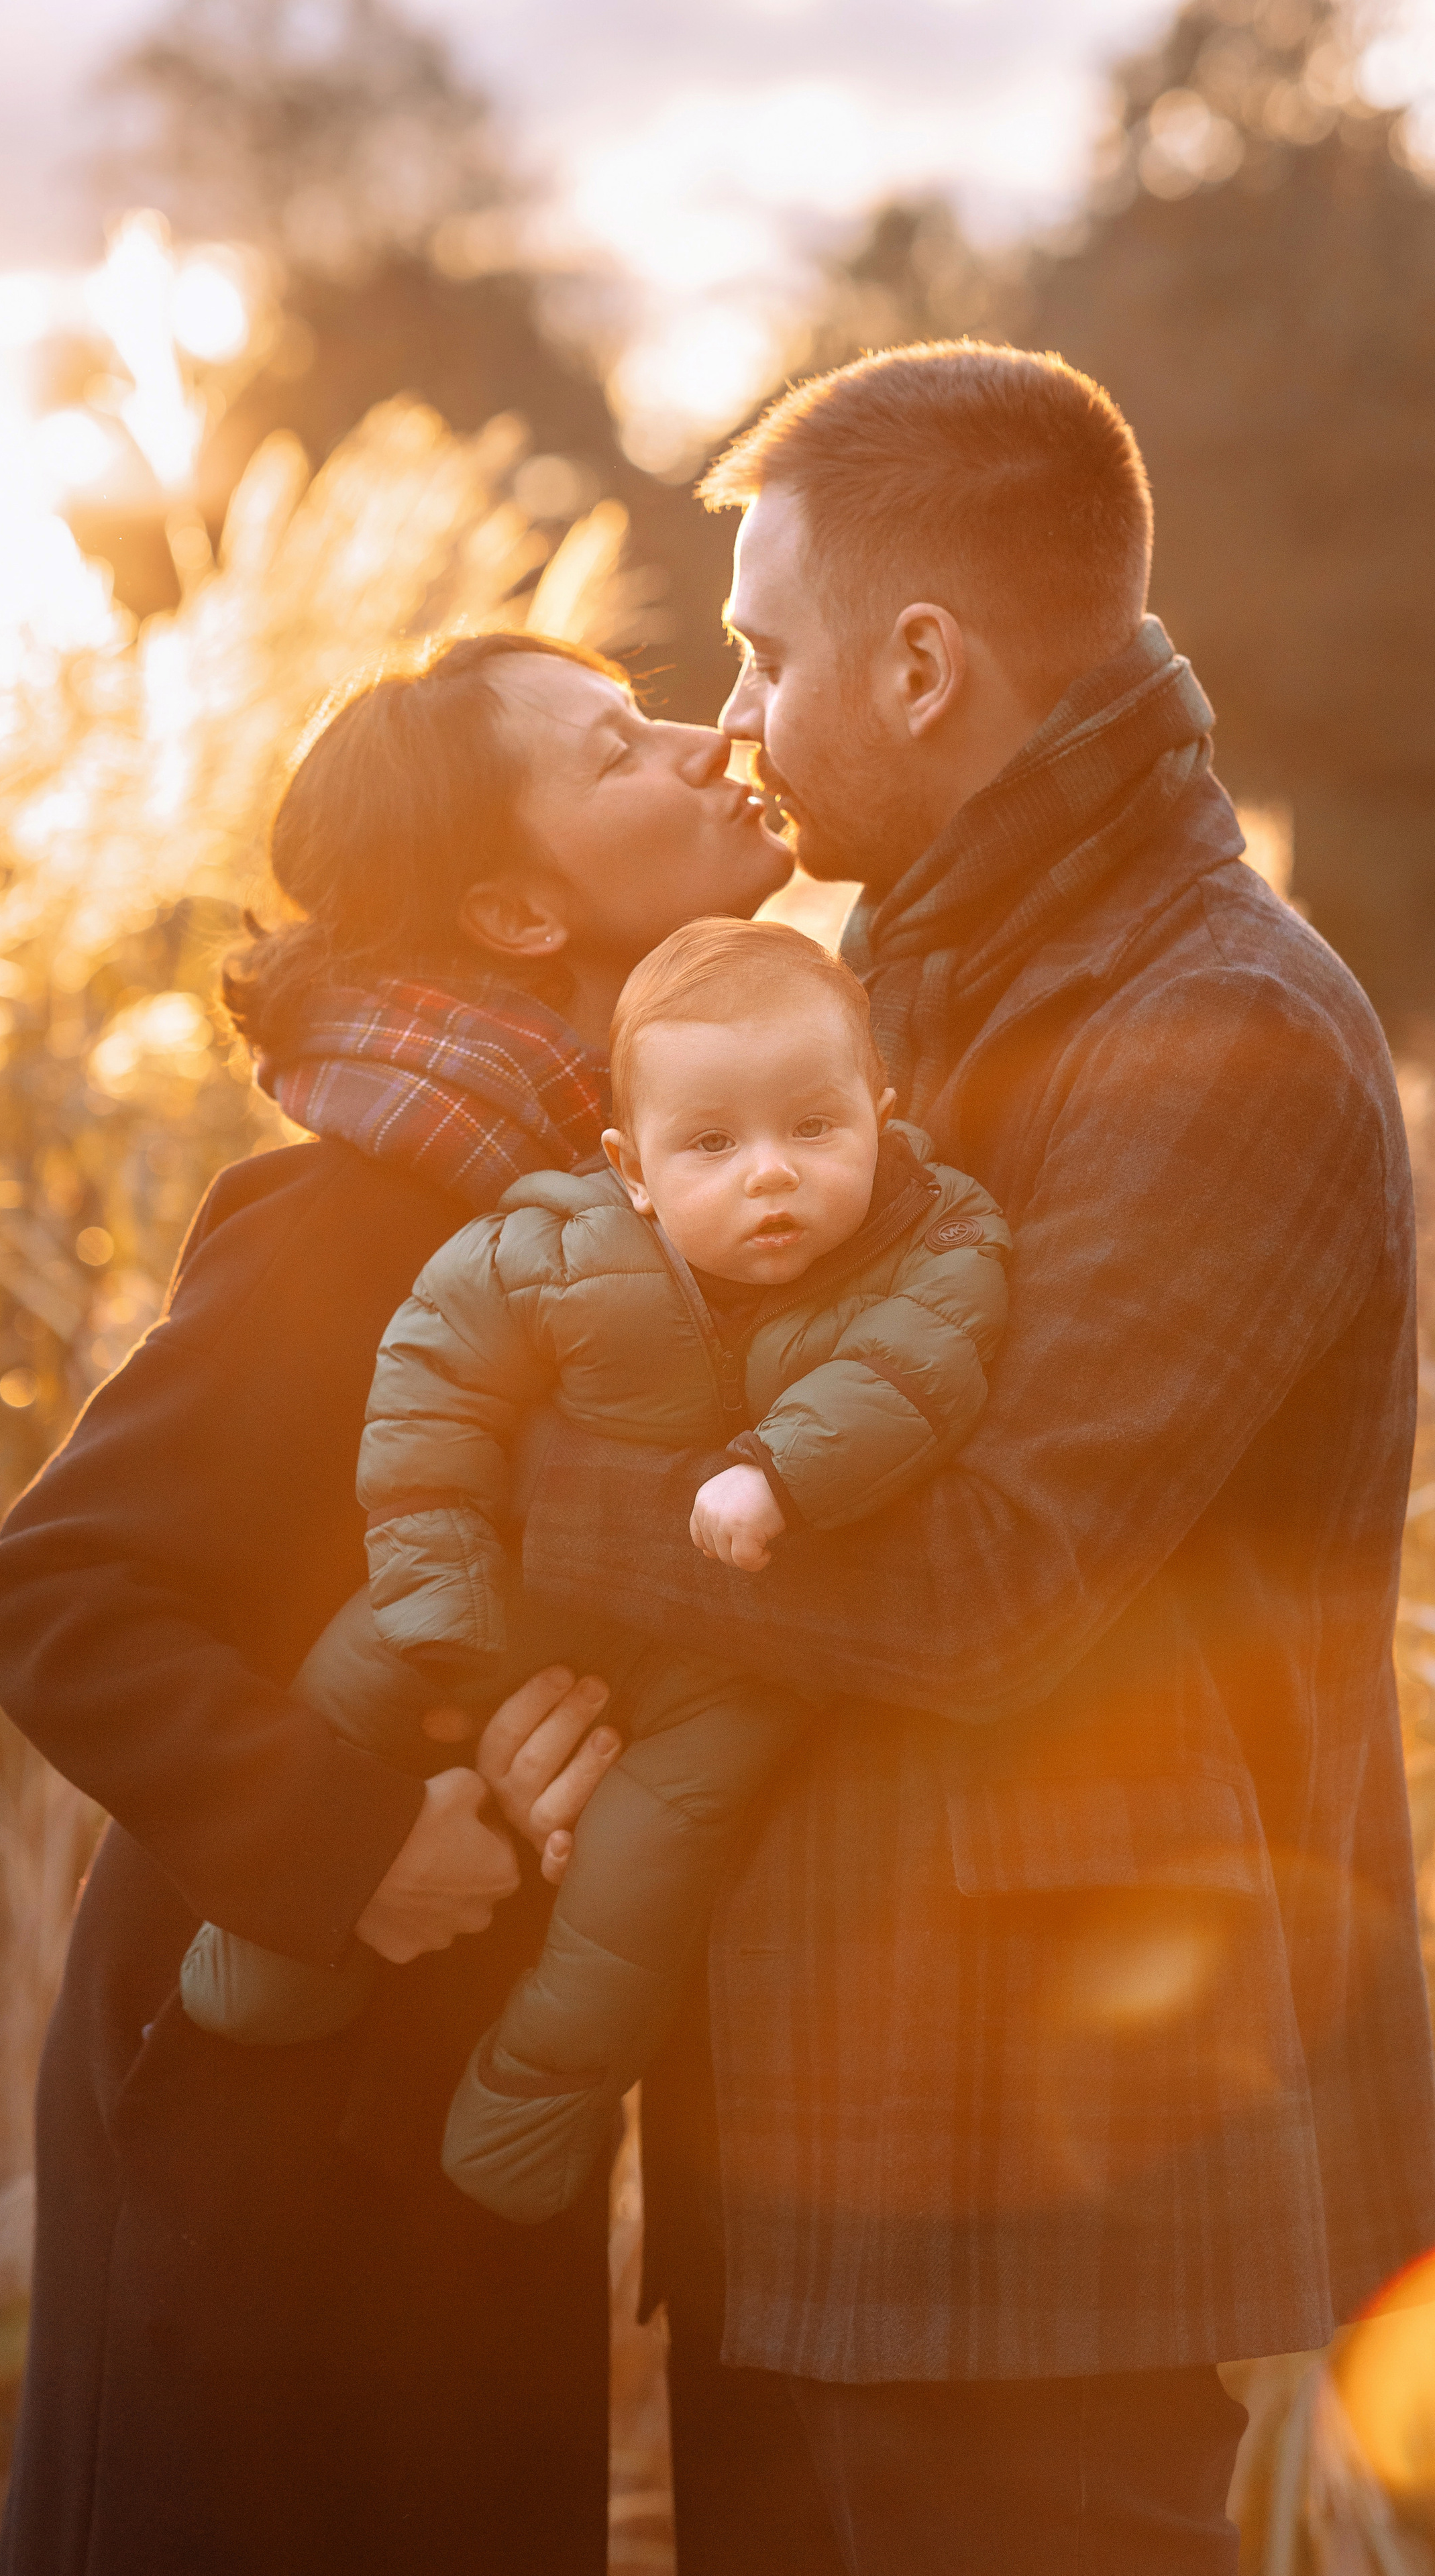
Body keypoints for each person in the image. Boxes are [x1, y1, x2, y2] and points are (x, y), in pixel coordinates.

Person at [521, 344, 1435, 2575]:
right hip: (825, 2154)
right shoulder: (899, 992)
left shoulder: (1212, 1030)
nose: (730, 718)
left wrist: (547, 1503)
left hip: (1035, 2200)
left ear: (924, 666)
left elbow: (993, 1574)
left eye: (760, 651)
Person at [0, 629, 792, 2576]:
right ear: (514, 906)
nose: (707, 744)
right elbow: (58, 1592)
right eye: (620, 750)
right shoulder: (354, 1222)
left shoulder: (659, 1211)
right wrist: (353, 1845)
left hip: (455, 2088)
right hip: (264, 2079)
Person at [179, 916, 1010, 2229]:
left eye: (813, 1128)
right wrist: (438, 1561)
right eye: (711, 1147)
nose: (771, 1178)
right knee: (357, 1670)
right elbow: (430, 1385)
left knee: (642, 1885)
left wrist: (780, 1471)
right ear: (630, 1166)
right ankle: (271, 1948)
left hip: (724, 1664)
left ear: (880, 1112)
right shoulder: (553, 1244)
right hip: (514, 1588)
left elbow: (917, 1369)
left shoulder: (932, 1240)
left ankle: (536, 2100)